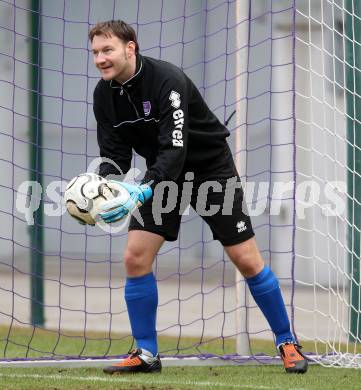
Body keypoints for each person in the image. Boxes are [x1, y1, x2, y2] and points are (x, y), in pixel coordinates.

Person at [88, 20, 308, 375]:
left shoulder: (167, 81)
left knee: (246, 260)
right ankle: (146, 353)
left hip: (209, 169)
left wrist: (143, 189)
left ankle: (287, 342)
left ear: (131, 48)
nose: (100, 58)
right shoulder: (104, 95)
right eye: (96, 52)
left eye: (107, 49)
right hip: (163, 175)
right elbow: (114, 155)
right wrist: (100, 191)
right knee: (135, 258)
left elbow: (175, 149)